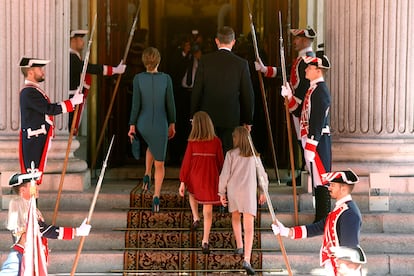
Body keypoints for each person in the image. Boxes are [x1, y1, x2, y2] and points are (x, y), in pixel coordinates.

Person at [255, 27, 317, 186]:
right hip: (296, 105)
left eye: (297, 39)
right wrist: (265, 69)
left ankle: (307, 171)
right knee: (299, 139)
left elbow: (304, 87)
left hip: (301, 107)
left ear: (304, 40)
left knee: (302, 140)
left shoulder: (308, 60)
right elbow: (287, 71)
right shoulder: (301, 59)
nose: (294, 42)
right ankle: (304, 170)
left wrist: (294, 103)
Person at [271, 169, 363, 276]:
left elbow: (349, 249)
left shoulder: (349, 212)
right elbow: (318, 227)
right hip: (334, 266)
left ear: (343, 188)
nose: (329, 188)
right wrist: (287, 231)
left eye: (333, 185)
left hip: (342, 269)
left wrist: (344, 270)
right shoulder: (341, 209)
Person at [0, 170, 91, 275]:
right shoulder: (19, 203)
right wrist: (76, 231)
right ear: (23, 190)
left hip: (30, 255)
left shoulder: (31, 206)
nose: (37, 188)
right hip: (22, 256)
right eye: (33, 185)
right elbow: (42, 230)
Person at [281, 54, 332, 222]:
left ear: (318, 71)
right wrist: (289, 97)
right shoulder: (312, 89)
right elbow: (300, 111)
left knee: (321, 180)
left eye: (310, 67)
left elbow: (317, 119)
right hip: (310, 140)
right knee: (316, 179)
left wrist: (311, 144)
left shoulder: (320, 91)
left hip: (317, 141)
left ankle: (323, 218)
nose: (306, 69)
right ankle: (320, 217)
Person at [18, 57, 84, 184]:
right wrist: (71, 103)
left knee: (35, 175)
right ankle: (31, 204)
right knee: (32, 176)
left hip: (37, 138)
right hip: (34, 139)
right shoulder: (28, 92)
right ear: (30, 72)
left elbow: (49, 108)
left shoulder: (33, 90)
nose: (43, 72)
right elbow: (48, 109)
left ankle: (33, 203)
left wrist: (71, 102)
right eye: (39, 69)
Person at [191, 26, 255, 153]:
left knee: (209, 153)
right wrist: (248, 120)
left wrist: (193, 116)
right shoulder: (241, 64)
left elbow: (197, 90)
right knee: (228, 153)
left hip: (208, 116)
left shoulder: (205, 60)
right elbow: (247, 94)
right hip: (231, 116)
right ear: (233, 42)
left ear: (216, 41)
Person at [128, 47, 176, 213]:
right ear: (158, 61)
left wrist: (132, 124)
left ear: (144, 62)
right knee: (160, 162)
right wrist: (172, 123)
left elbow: (136, 104)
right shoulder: (166, 79)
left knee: (151, 144)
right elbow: (170, 103)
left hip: (143, 122)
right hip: (161, 122)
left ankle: (147, 173)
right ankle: (156, 195)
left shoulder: (138, 78)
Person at [218, 126, 267, 275]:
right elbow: (262, 176)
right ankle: (246, 258)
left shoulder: (230, 154)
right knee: (249, 227)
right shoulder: (255, 156)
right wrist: (263, 191)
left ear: (237, 139)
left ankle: (239, 244)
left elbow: (224, 175)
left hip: (234, 191)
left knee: (235, 216)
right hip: (248, 192)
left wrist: (221, 193)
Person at [178, 111, 224, 254]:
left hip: (195, 176)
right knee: (208, 210)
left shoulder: (192, 142)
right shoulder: (216, 141)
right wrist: (224, 181)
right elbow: (221, 163)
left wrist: (182, 181)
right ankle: (205, 240)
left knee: (192, 192)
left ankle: (196, 217)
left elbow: (186, 162)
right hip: (210, 177)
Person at [69, 30, 127, 133]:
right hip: (72, 97)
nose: (83, 42)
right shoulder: (71, 57)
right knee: (72, 127)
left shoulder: (74, 56)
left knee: (74, 127)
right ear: (73, 40)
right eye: (80, 39)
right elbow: (90, 68)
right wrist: (114, 70)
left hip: (77, 97)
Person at [168, 39, 201, 165]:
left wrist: (199, 57)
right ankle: (175, 157)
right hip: (180, 94)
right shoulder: (180, 58)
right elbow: (175, 69)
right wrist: (185, 53)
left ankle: (191, 157)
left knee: (192, 126)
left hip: (194, 95)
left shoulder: (200, 59)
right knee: (179, 124)